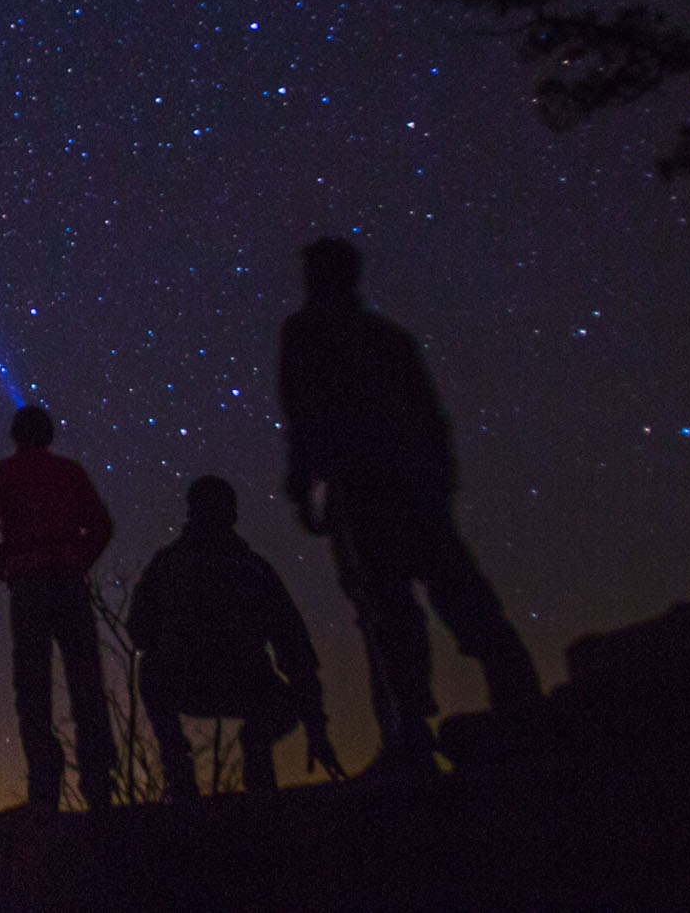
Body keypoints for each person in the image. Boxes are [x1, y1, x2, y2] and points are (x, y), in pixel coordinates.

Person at [278, 236, 543, 778]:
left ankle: (409, 737)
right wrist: (439, 481)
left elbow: (303, 409)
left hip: (364, 486)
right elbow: (430, 412)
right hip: (415, 482)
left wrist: (303, 484)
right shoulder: (389, 337)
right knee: (458, 593)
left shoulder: (307, 332)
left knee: (386, 612)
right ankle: (520, 705)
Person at [126, 475, 338, 798]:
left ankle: (180, 774)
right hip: (245, 682)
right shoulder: (253, 569)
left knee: (151, 670)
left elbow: (138, 631)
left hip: (190, 681)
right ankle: (257, 764)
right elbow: (295, 649)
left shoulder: (167, 564)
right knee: (156, 670)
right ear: (233, 515)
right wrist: (316, 730)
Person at [0, 403, 118, 811]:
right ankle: (98, 782)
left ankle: (44, 785)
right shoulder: (69, 473)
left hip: (30, 583)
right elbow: (102, 525)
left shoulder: (2, 475)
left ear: (16, 435)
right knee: (85, 679)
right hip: (67, 580)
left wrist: (7, 567)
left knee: (32, 684)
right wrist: (77, 558)